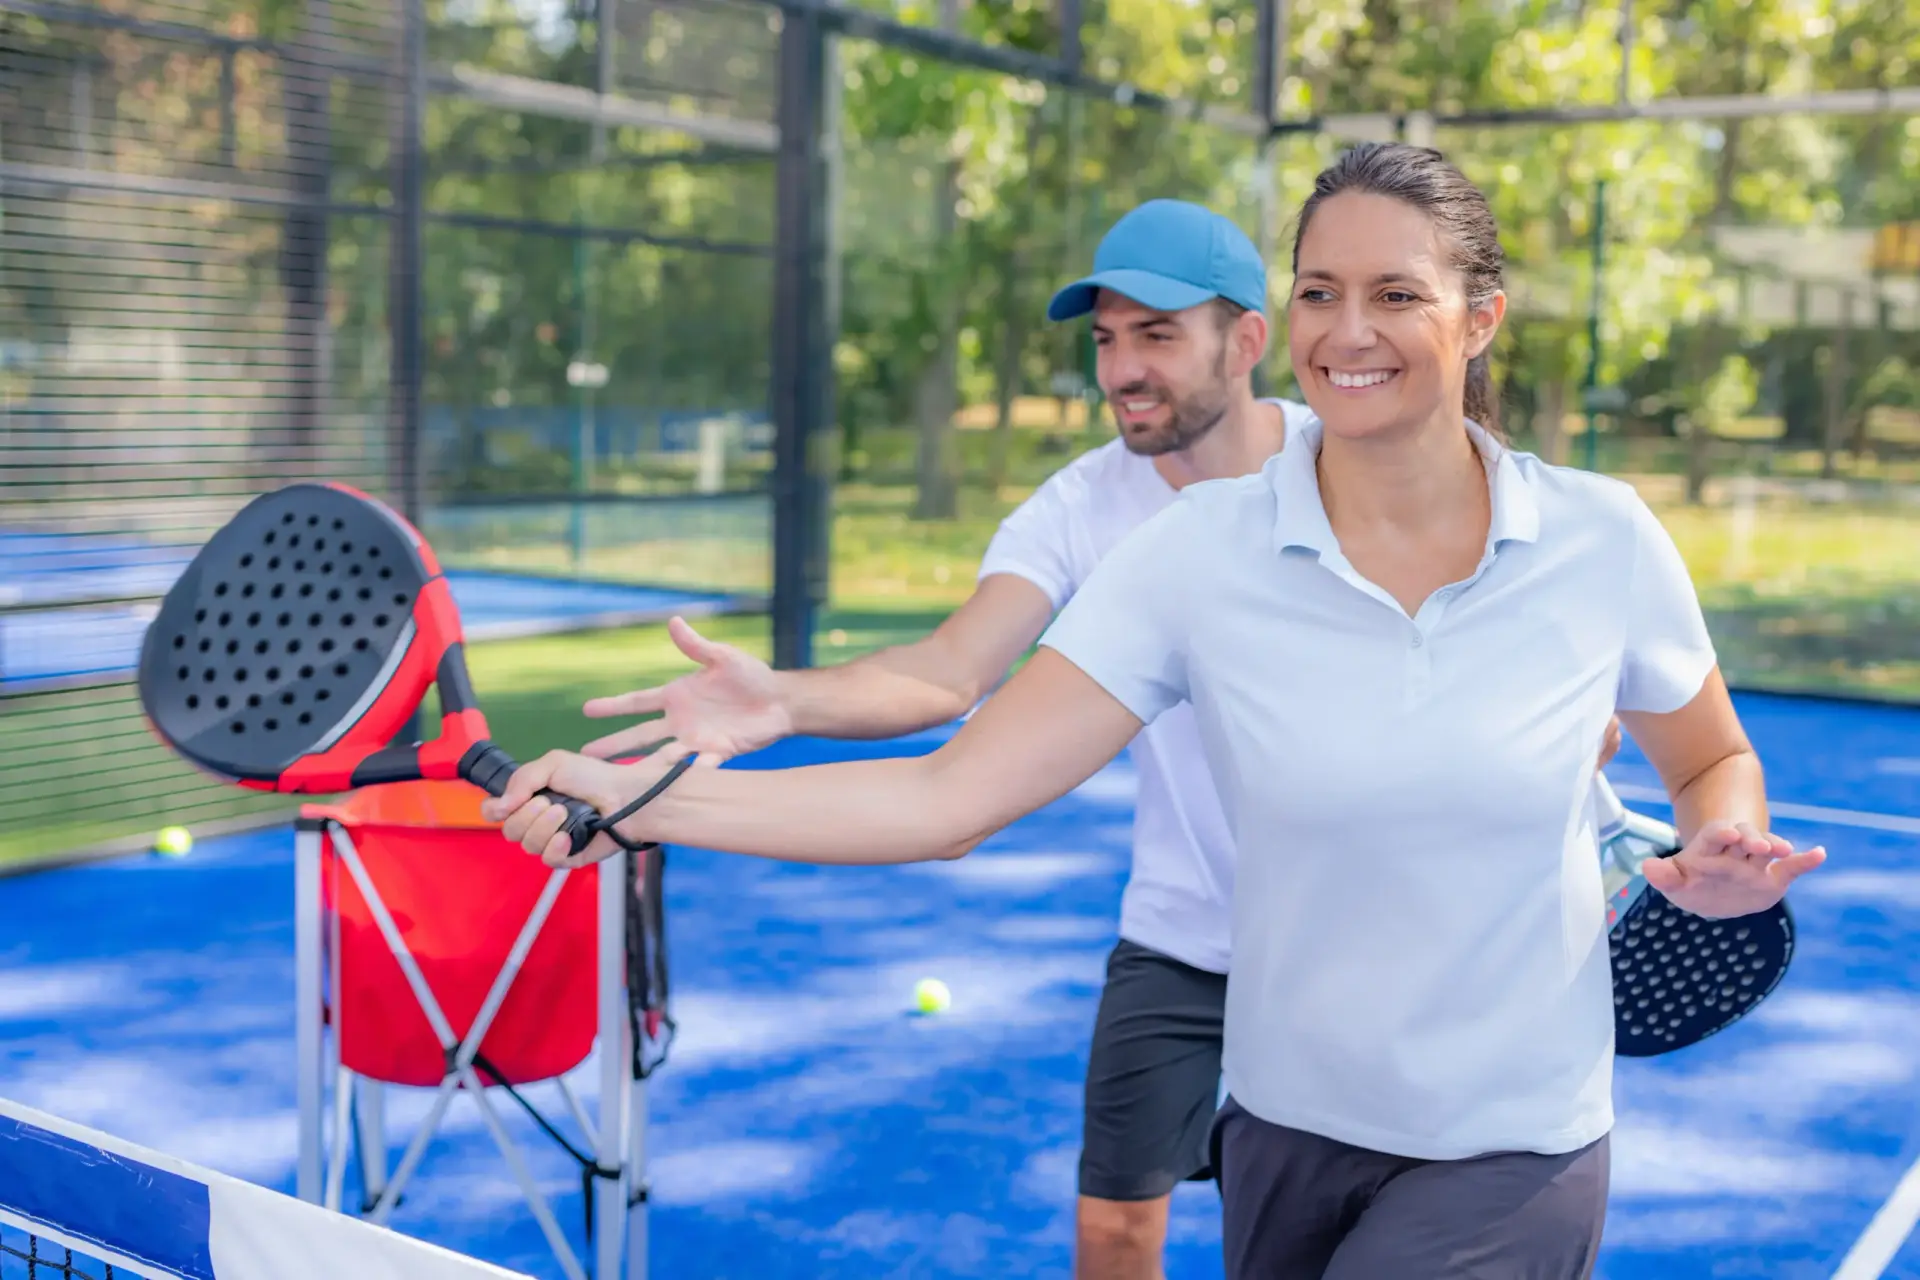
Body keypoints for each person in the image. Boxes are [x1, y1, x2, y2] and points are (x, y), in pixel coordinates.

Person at [485, 143, 1827, 1278]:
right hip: (1287, 1126)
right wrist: (650, 802)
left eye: (1395, 294)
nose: (1348, 331)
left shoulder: (1603, 539)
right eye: (1321, 290)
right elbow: (946, 790)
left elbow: (1711, 754)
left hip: (1516, 1140)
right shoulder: (1190, 554)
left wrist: (1722, 847)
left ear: (1479, 316)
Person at [576, 197, 1314, 1278]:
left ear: (1246, 339)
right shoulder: (1079, 506)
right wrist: (784, 699)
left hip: (1340, 942)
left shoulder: (1341, 465)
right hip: (1182, 933)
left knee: (1296, 1234)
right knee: (1112, 1229)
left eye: (1157, 334)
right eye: (1106, 339)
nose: (1122, 370)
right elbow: (952, 668)